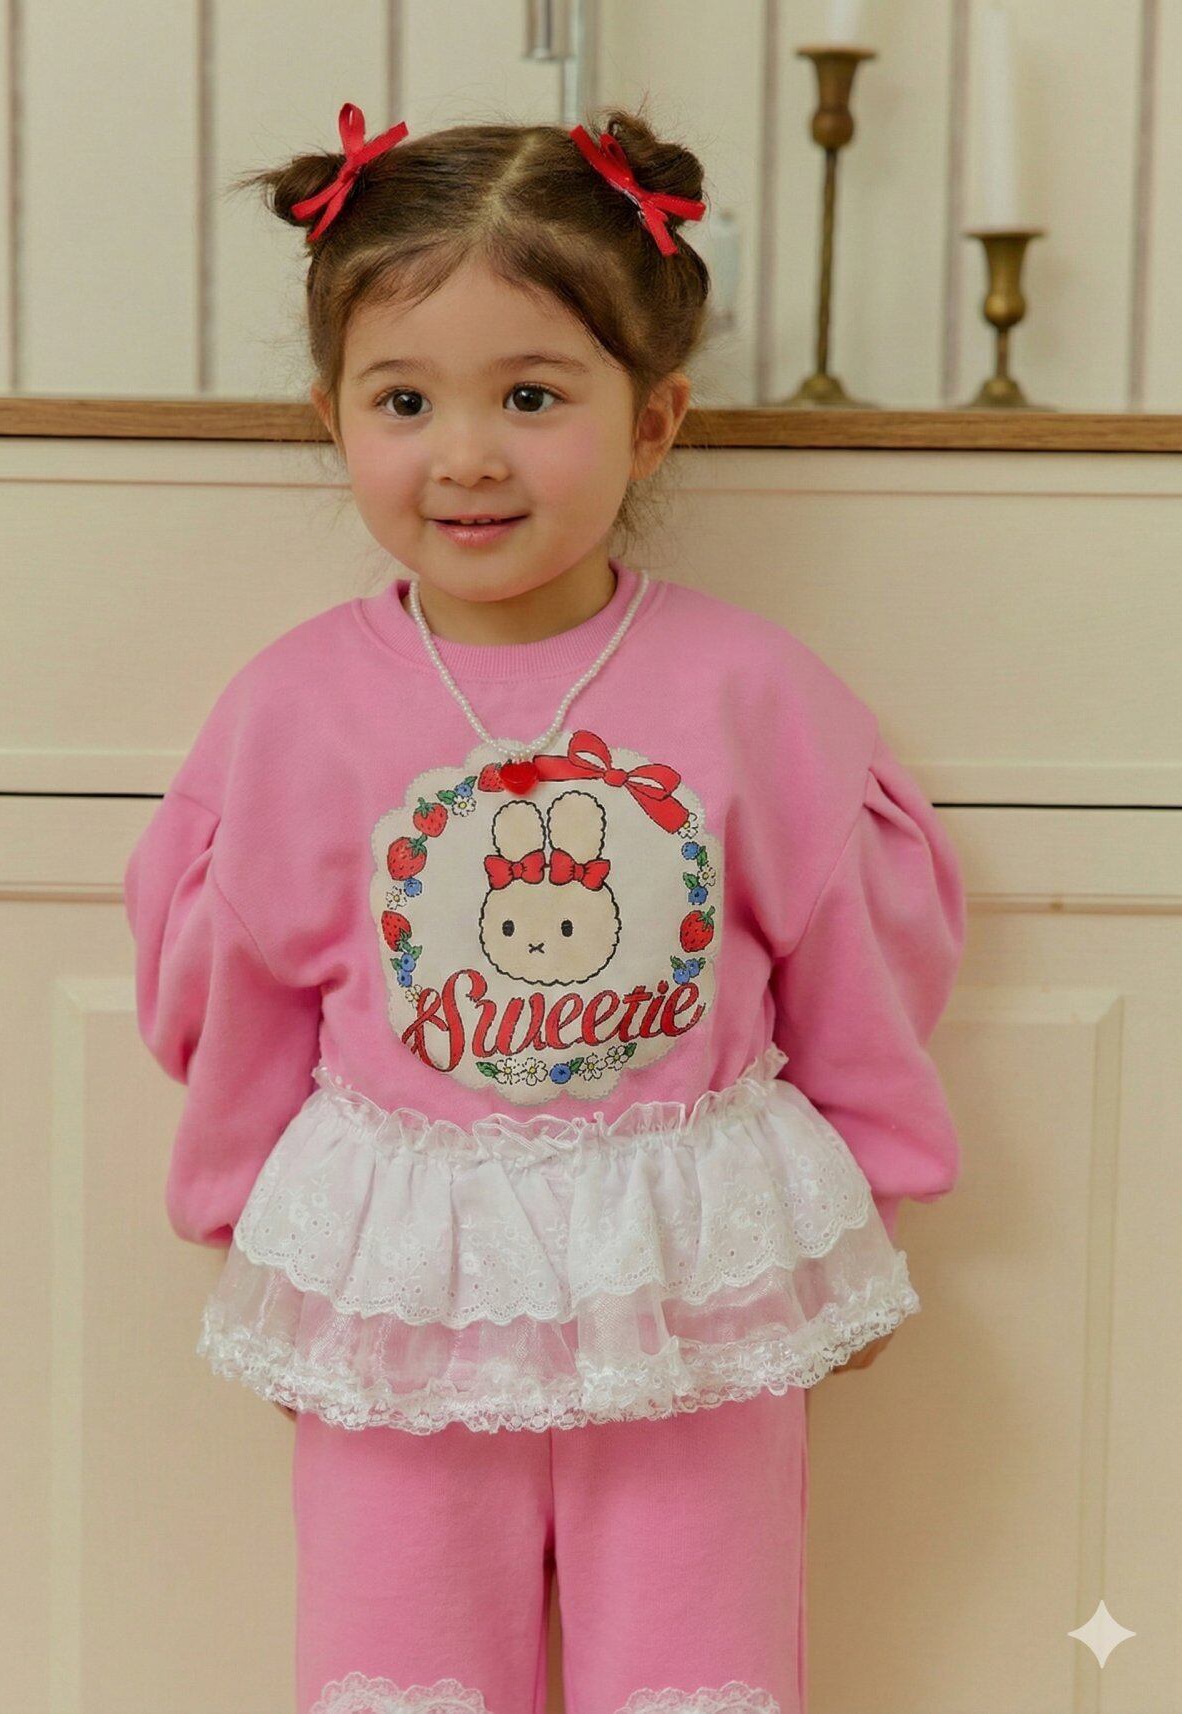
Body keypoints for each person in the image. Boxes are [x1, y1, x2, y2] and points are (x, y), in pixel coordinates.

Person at [123, 98, 967, 1714]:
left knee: (704, 1663)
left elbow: (857, 968)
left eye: (531, 394)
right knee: (395, 1660)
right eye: (403, 399)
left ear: (652, 420)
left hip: (695, 1282)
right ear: (333, 415)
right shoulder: (293, 712)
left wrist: (875, 1205)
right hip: (401, 1289)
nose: (466, 454)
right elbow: (235, 994)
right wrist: (253, 1233)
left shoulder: (753, 694)